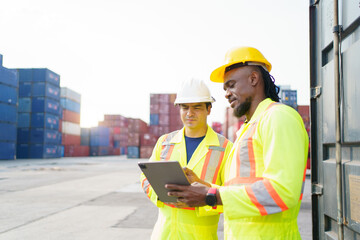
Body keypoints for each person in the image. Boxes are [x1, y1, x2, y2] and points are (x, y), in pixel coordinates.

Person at [165, 47, 309, 239]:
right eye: (225, 89)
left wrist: (210, 195)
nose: (226, 94)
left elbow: (282, 192)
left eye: (231, 85)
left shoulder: (279, 117)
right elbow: (240, 190)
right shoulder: (248, 128)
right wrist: (203, 186)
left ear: (253, 79)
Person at [140, 78, 233, 240]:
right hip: (164, 234)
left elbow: (232, 196)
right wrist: (164, 198)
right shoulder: (164, 142)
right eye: (185, 108)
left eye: (197, 108)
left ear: (209, 109)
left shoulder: (226, 148)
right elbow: (145, 179)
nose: (190, 113)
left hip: (200, 236)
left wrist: (203, 198)